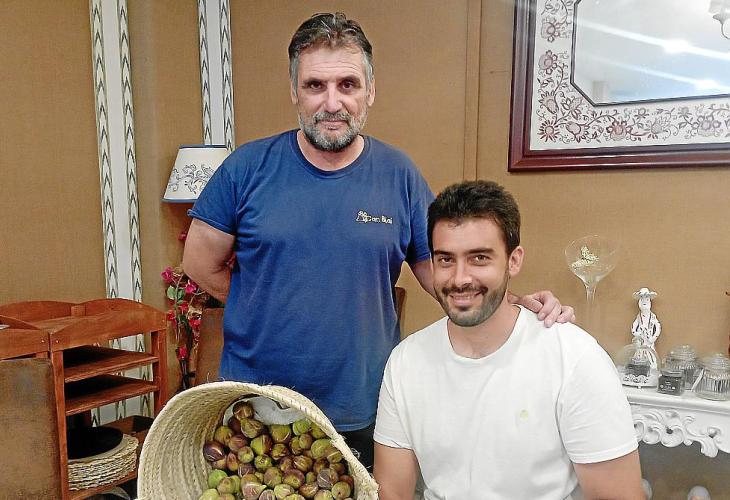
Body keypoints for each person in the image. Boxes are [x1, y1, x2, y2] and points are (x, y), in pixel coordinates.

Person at [182, 13, 573, 469]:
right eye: (315, 86)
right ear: (294, 92)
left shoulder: (398, 175)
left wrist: (518, 308)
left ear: (369, 91)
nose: (332, 102)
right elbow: (199, 264)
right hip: (257, 406)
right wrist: (268, 302)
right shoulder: (246, 168)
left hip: (361, 406)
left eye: (347, 85)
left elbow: (447, 277)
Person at [373, 180, 643, 499]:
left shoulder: (574, 358)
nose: (460, 278)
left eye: (479, 258)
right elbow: (392, 492)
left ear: (513, 261)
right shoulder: (406, 362)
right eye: (446, 259)